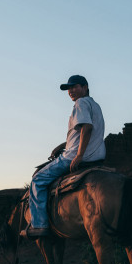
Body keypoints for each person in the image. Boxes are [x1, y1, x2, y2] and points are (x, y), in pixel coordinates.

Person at [22, 75, 106, 239]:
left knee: (37, 180)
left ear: (85, 87)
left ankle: (39, 225)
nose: (70, 91)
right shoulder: (95, 105)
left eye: (74, 87)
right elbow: (82, 131)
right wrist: (64, 145)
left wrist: (78, 155)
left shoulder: (80, 103)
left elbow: (87, 129)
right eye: (68, 88)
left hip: (75, 156)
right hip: (98, 156)